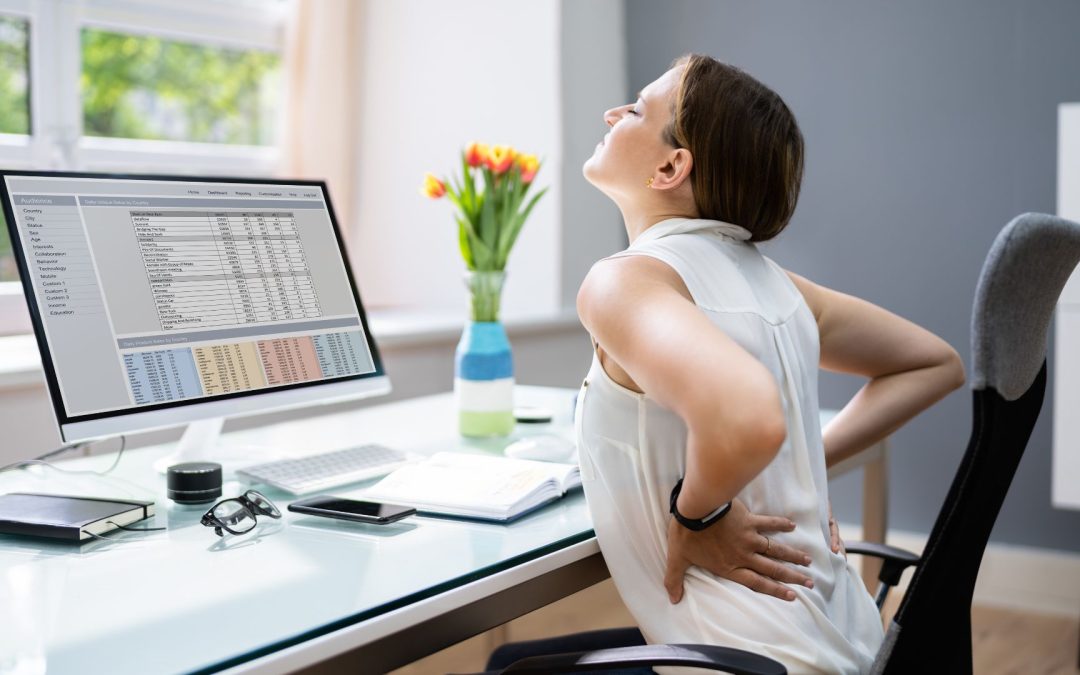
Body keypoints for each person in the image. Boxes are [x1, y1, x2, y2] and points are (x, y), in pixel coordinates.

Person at [486, 54, 965, 675]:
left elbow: (745, 416)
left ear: (670, 166)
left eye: (634, 109)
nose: (612, 114)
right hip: (849, 649)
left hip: (743, 658)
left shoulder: (622, 283)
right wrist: (802, 470)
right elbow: (935, 364)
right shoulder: (779, 287)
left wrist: (699, 512)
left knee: (508, 667)